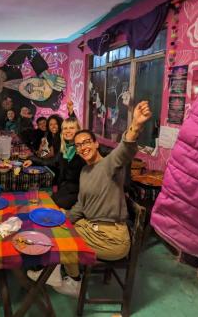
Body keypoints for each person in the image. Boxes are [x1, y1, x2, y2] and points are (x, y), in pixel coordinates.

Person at [53, 101, 152, 297]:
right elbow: (81, 204)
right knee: (58, 227)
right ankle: (60, 271)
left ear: (96, 143)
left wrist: (135, 126)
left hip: (112, 239)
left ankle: (73, 282)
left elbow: (125, 150)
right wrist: (65, 218)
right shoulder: (84, 171)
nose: (82, 147)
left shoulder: (108, 164)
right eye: (79, 145)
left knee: (63, 239)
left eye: (86, 142)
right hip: (92, 228)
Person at [23, 116, 84, 210]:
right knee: (42, 202)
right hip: (64, 189)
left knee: (49, 205)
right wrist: (32, 159)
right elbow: (52, 162)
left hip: (79, 193)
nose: (68, 131)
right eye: (65, 128)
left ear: (79, 130)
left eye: (72, 128)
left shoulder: (83, 149)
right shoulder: (65, 148)